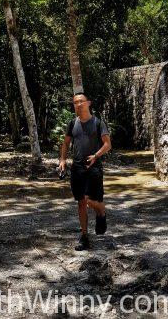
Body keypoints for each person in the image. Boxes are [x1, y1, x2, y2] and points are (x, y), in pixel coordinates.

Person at [59, 93, 112, 251]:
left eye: (81, 101)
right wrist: (62, 160)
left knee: (91, 201)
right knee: (81, 202)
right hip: (77, 168)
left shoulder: (97, 122)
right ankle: (84, 236)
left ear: (88, 103)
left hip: (93, 167)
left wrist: (96, 155)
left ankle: (101, 211)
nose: (78, 104)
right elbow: (66, 143)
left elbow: (108, 144)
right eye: (75, 103)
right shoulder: (72, 123)